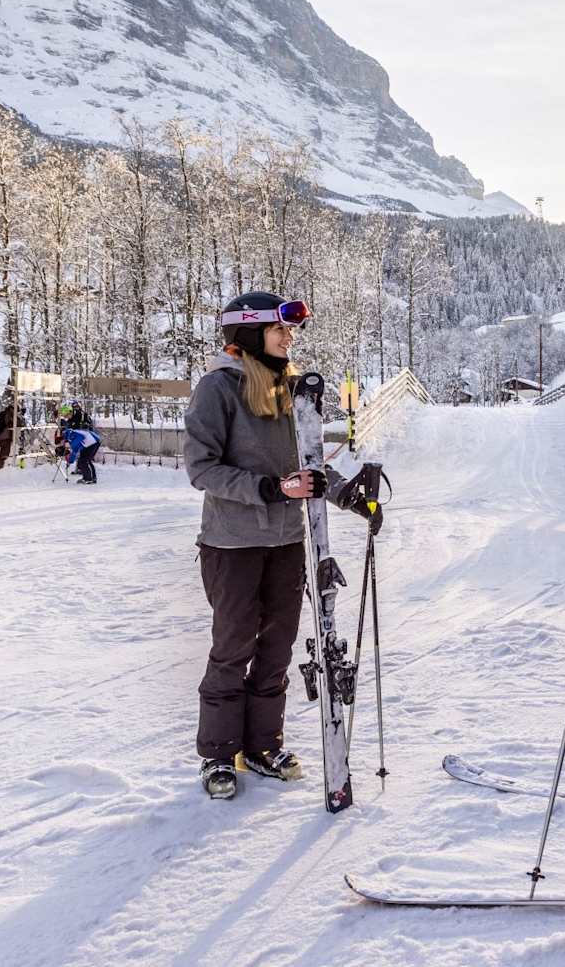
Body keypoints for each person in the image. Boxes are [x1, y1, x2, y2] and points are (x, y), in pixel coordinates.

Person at [183, 291, 385, 801]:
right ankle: (217, 754)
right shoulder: (218, 389)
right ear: (249, 333)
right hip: (232, 544)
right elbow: (201, 468)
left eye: (289, 330)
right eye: (279, 329)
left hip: (289, 542)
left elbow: (309, 462)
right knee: (233, 647)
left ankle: (261, 745)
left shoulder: (291, 391)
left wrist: (348, 496)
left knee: (276, 647)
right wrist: (271, 489)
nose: (288, 337)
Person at [0, 393, 17, 471]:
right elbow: (13, 424)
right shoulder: (9, 415)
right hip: (5, 437)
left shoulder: (3, 413)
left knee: (3, 453)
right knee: (4, 454)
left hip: (1, 436)